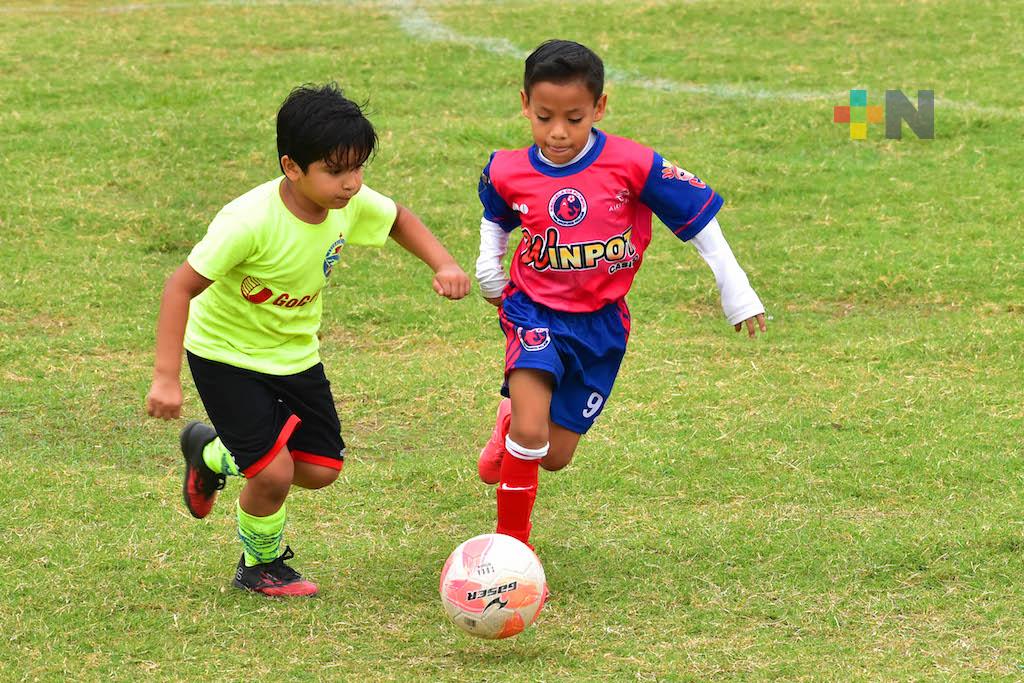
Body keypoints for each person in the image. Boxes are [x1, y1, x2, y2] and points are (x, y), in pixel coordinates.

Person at [146, 83, 470, 597]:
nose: (351, 183)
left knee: (319, 470)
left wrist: (444, 262)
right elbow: (180, 286)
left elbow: (398, 220)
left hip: (295, 354)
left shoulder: (348, 201)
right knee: (273, 475)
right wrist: (166, 377)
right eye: (337, 171)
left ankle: (210, 454)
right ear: (292, 167)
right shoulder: (248, 222)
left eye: (358, 168)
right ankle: (261, 565)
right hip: (225, 355)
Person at [474, 40, 766, 548]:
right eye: (544, 117)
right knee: (532, 433)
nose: (558, 131)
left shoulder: (634, 165)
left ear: (599, 108)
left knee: (554, 455)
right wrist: (488, 265)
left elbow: (700, 222)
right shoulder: (506, 168)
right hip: (532, 311)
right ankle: (510, 547)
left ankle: (509, 427)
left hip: (601, 325)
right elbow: (497, 216)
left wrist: (735, 289)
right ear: (524, 104)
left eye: (574, 117)